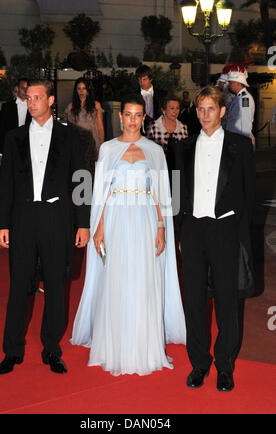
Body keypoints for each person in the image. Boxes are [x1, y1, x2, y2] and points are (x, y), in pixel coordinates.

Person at [70, 94, 186, 376]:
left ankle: (144, 343)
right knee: (117, 278)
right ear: (120, 117)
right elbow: (101, 193)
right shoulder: (108, 149)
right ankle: (116, 343)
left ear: (143, 118)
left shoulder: (155, 150)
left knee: (144, 279)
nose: (133, 120)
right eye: (128, 115)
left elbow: (161, 193)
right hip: (116, 219)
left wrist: (161, 227)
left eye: (138, 115)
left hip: (146, 219)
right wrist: (98, 228)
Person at [0, 79, 90, 375]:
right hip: (23, 220)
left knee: (56, 286)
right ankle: (12, 350)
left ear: (51, 101)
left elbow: (82, 181)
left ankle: (51, 349)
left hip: (57, 219)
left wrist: (83, 224)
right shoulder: (14, 138)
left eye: (37, 97)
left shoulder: (72, 136)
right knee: (19, 286)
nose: (31, 102)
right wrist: (3, 223)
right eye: (29, 98)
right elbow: (6, 184)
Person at [168, 86, 255, 392]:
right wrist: (179, 231)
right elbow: (177, 194)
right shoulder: (184, 146)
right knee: (194, 302)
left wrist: (241, 237)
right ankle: (199, 364)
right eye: (200, 109)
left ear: (221, 111)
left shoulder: (241, 147)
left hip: (225, 231)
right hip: (192, 232)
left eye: (210, 109)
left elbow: (248, 196)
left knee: (227, 302)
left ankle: (225, 366)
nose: (205, 115)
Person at [0, 78, 31, 166]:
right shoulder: (7, 107)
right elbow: (2, 130)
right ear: (18, 88)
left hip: (29, 148)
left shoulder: (34, 106)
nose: (25, 91)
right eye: (23, 88)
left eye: (27, 88)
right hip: (11, 147)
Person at [65, 77, 104, 154]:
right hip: (77, 143)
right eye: (79, 88)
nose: (81, 91)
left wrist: (102, 145)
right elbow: (70, 129)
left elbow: (100, 126)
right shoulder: (70, 107)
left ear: (88, 90)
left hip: (93, 142)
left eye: (84, 88)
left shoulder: (96, 105)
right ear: (76, 91)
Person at [224, 62, 255, 144]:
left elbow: (245, 123)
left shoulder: (245, 99)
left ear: (237, 83)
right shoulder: (239, 97)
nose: (228, 84)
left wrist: (242, 144)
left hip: (240, 141)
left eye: (230, 82)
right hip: (235, 139)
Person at [135, 64, 166, 133]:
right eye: (139, 80)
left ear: (151, 79)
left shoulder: (162, 95)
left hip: (159, 130)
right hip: (140, 131)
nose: (141, 83)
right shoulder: (134, 95)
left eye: (144, 79)